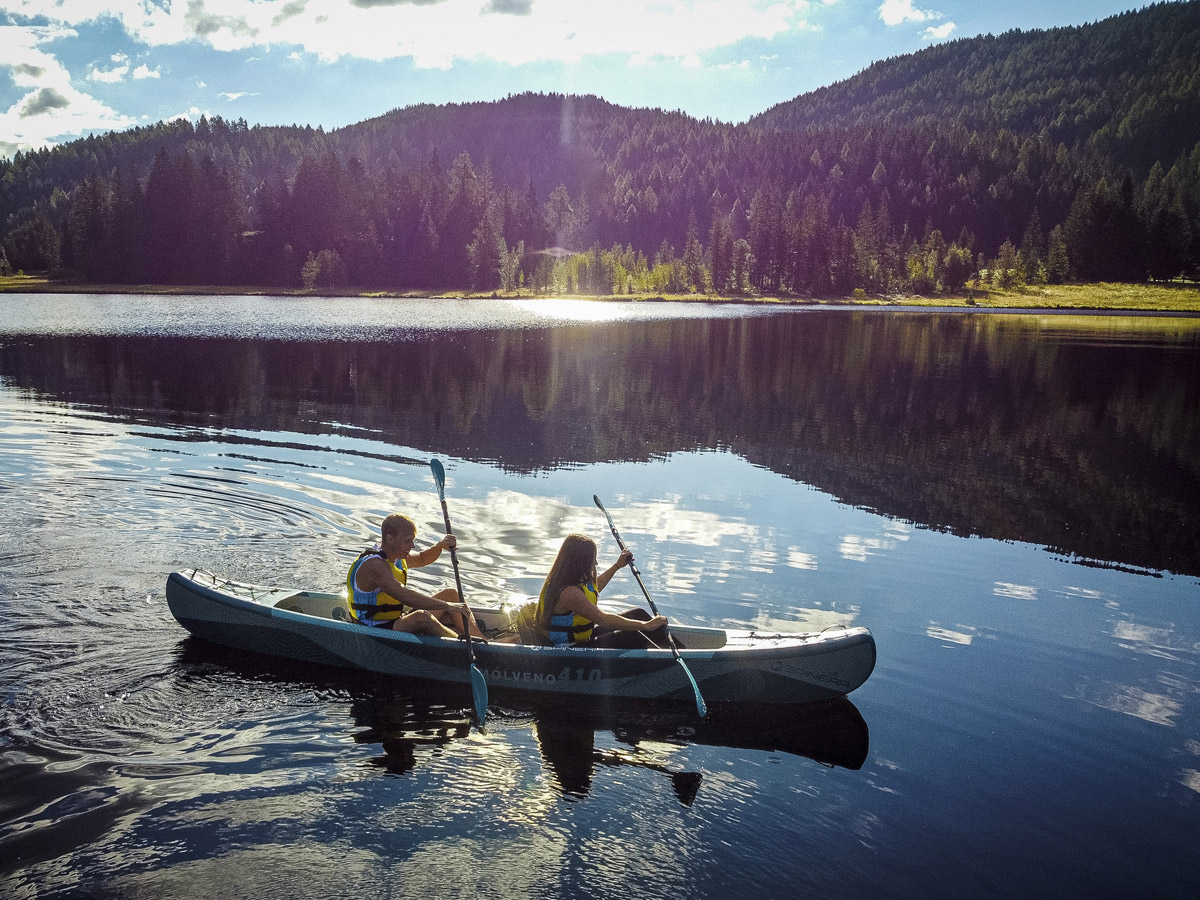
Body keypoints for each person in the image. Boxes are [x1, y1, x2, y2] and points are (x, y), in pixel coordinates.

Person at [347, 513, 485, 639]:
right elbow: (404, 596)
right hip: (373, 629)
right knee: (422, 618)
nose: (412, 545)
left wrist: (441, 546)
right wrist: (449, 606)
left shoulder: (397, 556)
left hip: (394, 620)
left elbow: (422, 558)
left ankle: (483, 640)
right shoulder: (375, 565)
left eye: (412, 540)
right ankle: (465, 645)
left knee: (450, 594)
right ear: (389, 539)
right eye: (407, 541)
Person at [536, 533, 667, 648]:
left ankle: (677, 652)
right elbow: (603, 619)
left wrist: (617, 566)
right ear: (580, 561)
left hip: (582, 639)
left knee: (638, 614)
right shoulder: (569, 593)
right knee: (632, 636)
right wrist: (645, 626)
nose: (596, 563)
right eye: (592, 558)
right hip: (568, 648)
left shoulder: (567, 580)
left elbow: (593, 588)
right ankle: (670, 661)